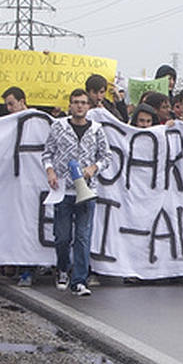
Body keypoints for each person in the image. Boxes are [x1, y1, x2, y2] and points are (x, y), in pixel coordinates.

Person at [42, 88, 111, 295]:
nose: (79, 106)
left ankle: (80, 279)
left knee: (83, 236)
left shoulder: (97, 129)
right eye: (75, 102)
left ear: (88, 106)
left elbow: (106, 156)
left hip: (87, 191)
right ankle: (63, 268)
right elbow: (47, 153)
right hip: (63, 191)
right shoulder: (59, 127)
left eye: (83, 102)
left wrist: (94, 168)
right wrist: (50, 171)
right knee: (62, 236)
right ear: (70, 105)